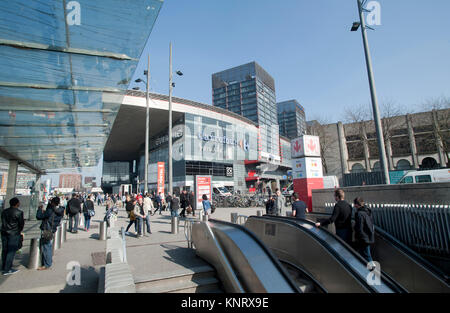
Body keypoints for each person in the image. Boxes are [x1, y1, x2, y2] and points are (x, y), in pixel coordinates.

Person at [36, 197, 64, 270]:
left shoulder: (50, 210)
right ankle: (48, 262)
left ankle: (47, 264)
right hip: (52, 229)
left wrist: (39, 209)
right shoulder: (60, 210)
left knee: (46, 246)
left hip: (47, 229)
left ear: (52, 202)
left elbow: (39, 216)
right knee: (48, 245)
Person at [1, 197, 24, 275]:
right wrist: (19, 231)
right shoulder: (19, 212)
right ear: (17, 203)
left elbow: (3, 222)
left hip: (4, 232)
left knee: (5, 250)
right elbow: (21, 224)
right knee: (11, 251)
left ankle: (3, 267)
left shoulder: (4, 211)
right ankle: (7, 269)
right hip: (14, 234)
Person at [353, 197, 375, 263]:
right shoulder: (367, 211)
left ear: (357, 204)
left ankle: (373, 271)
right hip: (368, 236)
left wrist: (357, 236)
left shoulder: (360, 214)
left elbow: (359, 227)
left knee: (367, 255)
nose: (354, 206)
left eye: (354, 204)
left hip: (363, 238)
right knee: (366, 254)